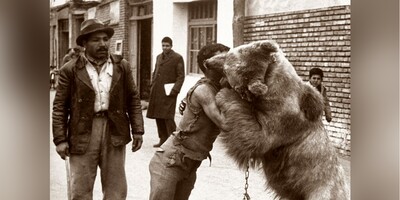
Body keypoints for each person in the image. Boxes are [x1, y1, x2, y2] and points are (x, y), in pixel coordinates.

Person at [52, 18, 145, 200]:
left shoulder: (121, 66)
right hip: (82, 131)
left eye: (105, 39)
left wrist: (138, 130)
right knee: (80, 188)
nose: (102, 44)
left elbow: (133, 99)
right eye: (96, 40)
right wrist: (60, 139)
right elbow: (59, 107)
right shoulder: (70, 70)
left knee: (116, 190)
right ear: (84, 43)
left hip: (114, 130)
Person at [148, 43, 230, 200]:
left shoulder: (218, 88)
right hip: (171, 162)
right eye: (223, 59)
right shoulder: (204, 91)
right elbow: (225, 124)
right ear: (209, 65)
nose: (229, 62)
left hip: (189, 164)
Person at [146, 36, 185, 147]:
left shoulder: (177, 58)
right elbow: (155, 71)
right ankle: (162, 139)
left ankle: (174, 141)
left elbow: (180, 76)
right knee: (158, 116)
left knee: (168, 117)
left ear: (171, 46)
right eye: (163, 45)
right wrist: (152, 83)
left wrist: (175, 90)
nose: (165, 48)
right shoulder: (159, 57)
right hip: (157, 91)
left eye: (167, 46)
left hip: (169, 92)